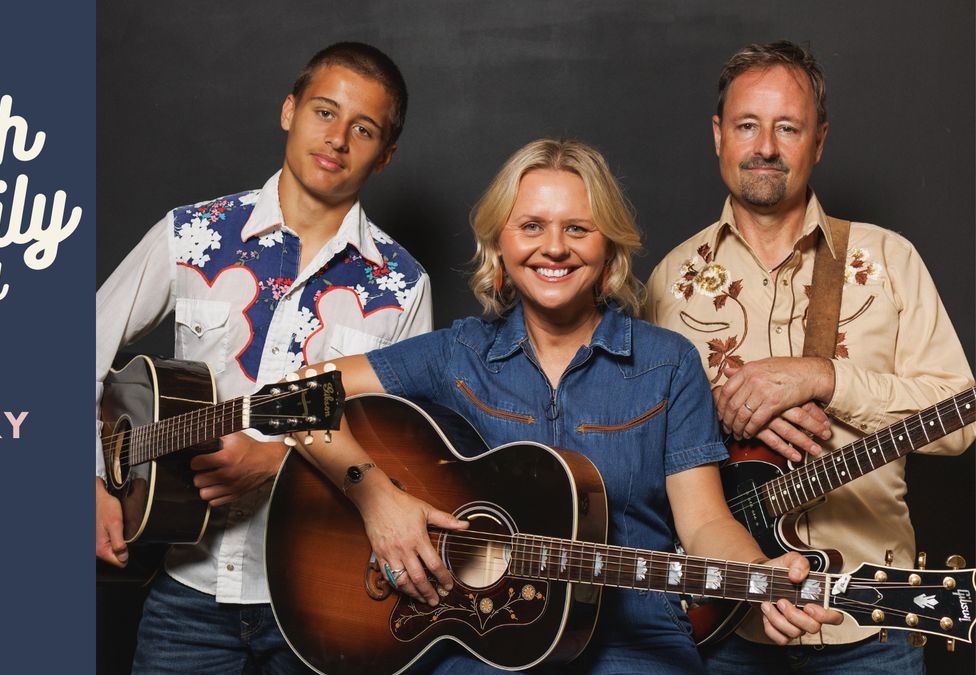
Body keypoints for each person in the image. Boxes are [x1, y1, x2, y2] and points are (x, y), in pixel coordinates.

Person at [290, 138, 840, 674]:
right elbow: (292, 399)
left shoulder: (668, 363)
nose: (554, 247)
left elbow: (705, 523)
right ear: (500, 243)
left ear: (609, 246)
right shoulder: (458, 353)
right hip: (475, 643)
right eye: (531, 226)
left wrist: (761, 578)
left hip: (634, 642)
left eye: (577, 228)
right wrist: (376, 498)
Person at [94, 42, 433, 673]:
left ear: (385, 155)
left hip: (323, 598)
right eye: (324, 113)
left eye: (363, 129)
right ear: (289, 111)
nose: (337, 139)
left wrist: (281, 460)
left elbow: (401, 446)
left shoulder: (402, 287)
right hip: (183, 588)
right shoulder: (192, 234)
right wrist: (90, 479)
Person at [644, 41, 975, 673]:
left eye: (787, 127)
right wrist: (716, 415)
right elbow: (635, 447)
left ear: (818, 141)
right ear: (719, 135)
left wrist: (826, 377)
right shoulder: (668, 280)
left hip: (871, 625)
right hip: (720, 627)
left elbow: (962, 420)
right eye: (747, 125)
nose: (765, 145)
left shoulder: (889, 261)